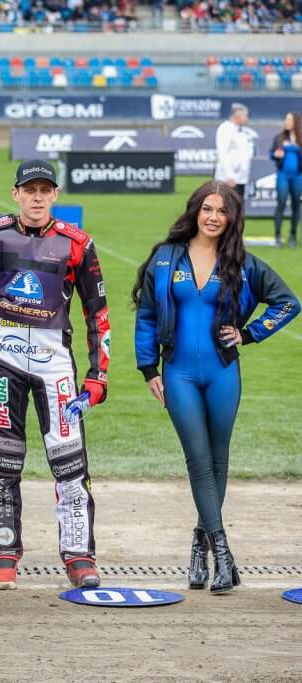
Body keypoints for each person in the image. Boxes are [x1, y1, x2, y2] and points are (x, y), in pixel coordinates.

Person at [133, 181, 298, 594]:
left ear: (232, 219)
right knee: (198, 459)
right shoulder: (165, 258)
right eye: (207, 208)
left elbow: (288, 303)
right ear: (195, 211)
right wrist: (148, 368)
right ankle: (223, 553)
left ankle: (199, 545)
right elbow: (147, 315)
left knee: (219, 460)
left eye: (222, 211)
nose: (213, 217)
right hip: (178, 374)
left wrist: (250, 333)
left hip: (224, 372)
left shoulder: (243, 263)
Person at [0, 159, 110, 591]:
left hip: (56, 367)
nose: (37, 198)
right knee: (3, 461)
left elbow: (97, 313)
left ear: (55, 195)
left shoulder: (77, 244)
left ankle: (79, 556)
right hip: (3, 363)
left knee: (70, 463)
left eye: (45, 190)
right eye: (30, 190)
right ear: (16, 194)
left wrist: (97, 375)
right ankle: (4, 555)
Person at [269, 111, 302, 248]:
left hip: (298, 177)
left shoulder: (300, 138)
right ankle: (277, 236)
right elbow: (271, 153)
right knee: (281, 204)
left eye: (289, 119)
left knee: (296, 205)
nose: (287, 122)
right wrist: (275, 154)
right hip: (283, 176)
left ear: (295, 122)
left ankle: (293, 235)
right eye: (286, 119)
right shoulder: (279, 137)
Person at [214, 103, 254, 199]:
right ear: (237, 116)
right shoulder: (225, 129)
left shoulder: (241, 132)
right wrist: (229, 175)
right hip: (228, 179)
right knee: (227, 205)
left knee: (238, 205)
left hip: (240, 178)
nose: (247, 118)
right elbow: (222, 153)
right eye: (245, 116)